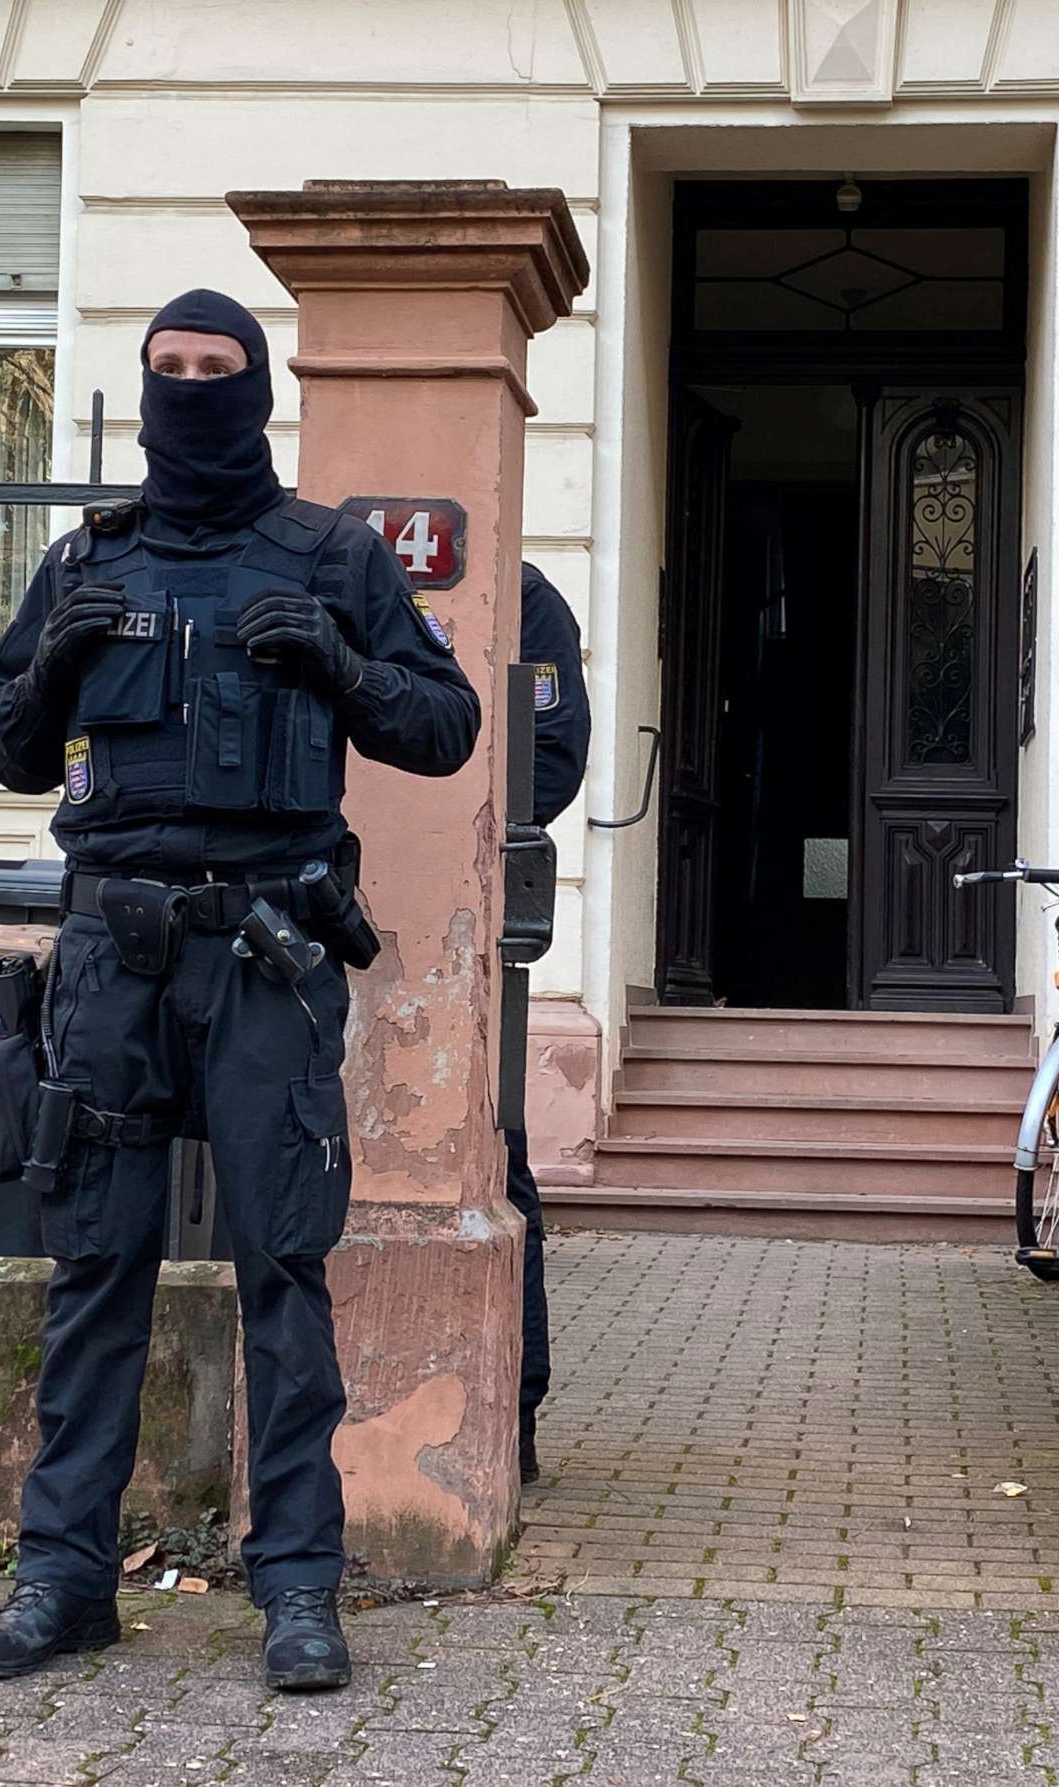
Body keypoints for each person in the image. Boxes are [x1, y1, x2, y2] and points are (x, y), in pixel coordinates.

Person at [0, 289, 480, 1692]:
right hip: (113, 964)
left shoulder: (335, 555)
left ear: (255, 387)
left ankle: (298, 1586)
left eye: (215, 368)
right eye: (166, 370)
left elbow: (446, 725)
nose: (188, 389)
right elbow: (6, 739)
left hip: (265, 960)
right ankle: (63, 1578)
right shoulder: (83, 558)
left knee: (283, 1274)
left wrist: (342, 658)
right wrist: (57, 659)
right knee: (94, 1272)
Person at [510, 562, 589, 1485]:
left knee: (498, 1154)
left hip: (468, 907)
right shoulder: (339, 560)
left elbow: (553, 753)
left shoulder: (522, 597)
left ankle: (514, 1404)